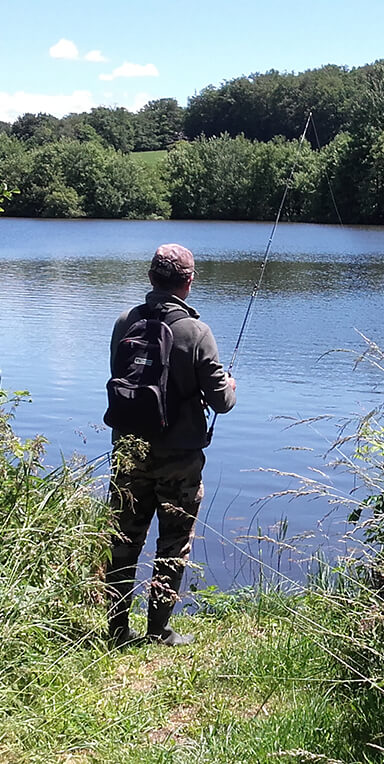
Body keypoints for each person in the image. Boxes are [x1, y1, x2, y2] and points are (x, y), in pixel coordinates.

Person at [105, 243, 236, 647]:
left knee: (123, 537)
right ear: (188, 282)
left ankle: (116, 629)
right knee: (173, 541)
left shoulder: (126, 321)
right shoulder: (196, 332)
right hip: (179, 457)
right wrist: (229, 384)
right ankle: (159, 630)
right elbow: (222, 402)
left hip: (128, 451)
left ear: (150, 278)